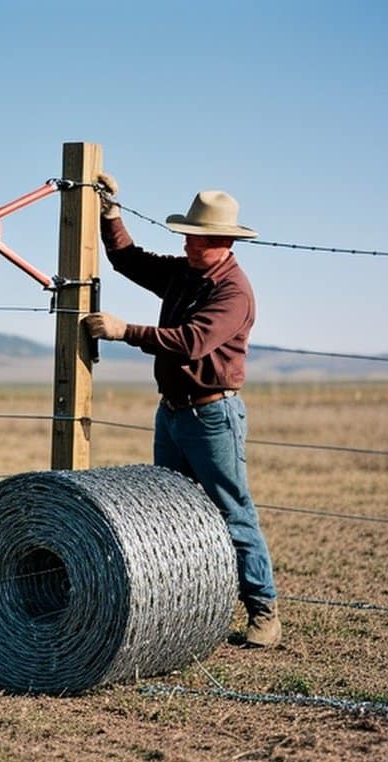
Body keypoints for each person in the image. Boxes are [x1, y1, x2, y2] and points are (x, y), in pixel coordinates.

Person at [84, 173, 281, 648]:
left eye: (201, 239)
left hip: (212, 417)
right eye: (189, 237)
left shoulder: (233, 292)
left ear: (225, 241)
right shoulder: (185, 273)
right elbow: (127, 260)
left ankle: (264, 613)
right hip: (172, 413)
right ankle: (183, 610)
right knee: (170, 515)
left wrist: (123, 330)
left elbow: (192, 343)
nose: (191, 245)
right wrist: (111, 212)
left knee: (232, 512)